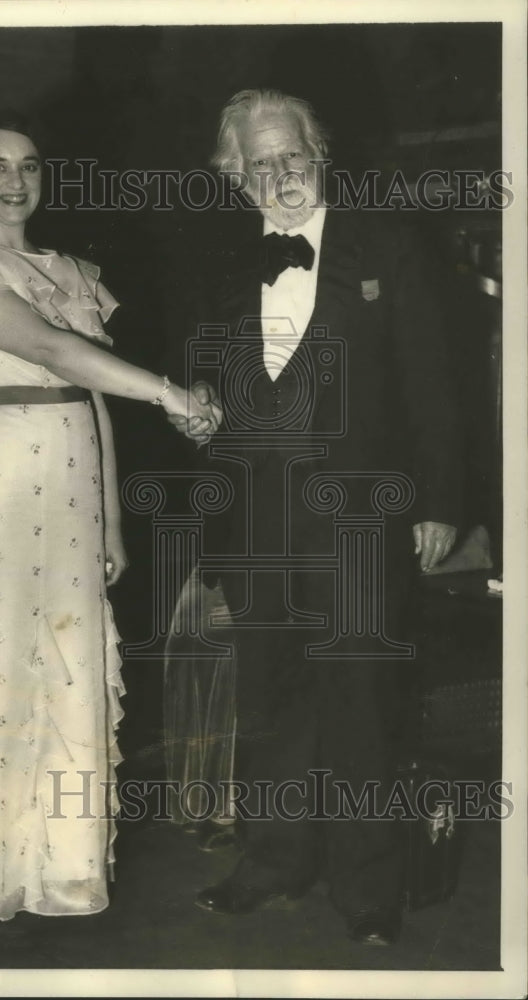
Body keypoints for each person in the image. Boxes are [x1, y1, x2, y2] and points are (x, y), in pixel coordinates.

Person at [0, 110, 219, 936]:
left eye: (28, 165)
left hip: (72, 483)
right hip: (0, 469)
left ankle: (53, 867)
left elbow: (89, 394)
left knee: (64, 663)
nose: (14, 181)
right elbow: (53, 353)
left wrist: (114, 526)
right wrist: (170, 392)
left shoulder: (69, 270)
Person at [169, 89, 462, 945]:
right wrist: (197, 418)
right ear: (237, 176)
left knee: (363, 698)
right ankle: (273, 860)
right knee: (271, 699)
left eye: (290, 155)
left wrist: (442, 500)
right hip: (258, 520)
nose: (279, 174)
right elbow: (209, 391)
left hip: (364, 516)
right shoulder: (222, 267)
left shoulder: (390, 245)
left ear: (318, 154)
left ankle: (369, 889)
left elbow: (434, 385)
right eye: (259, 163)